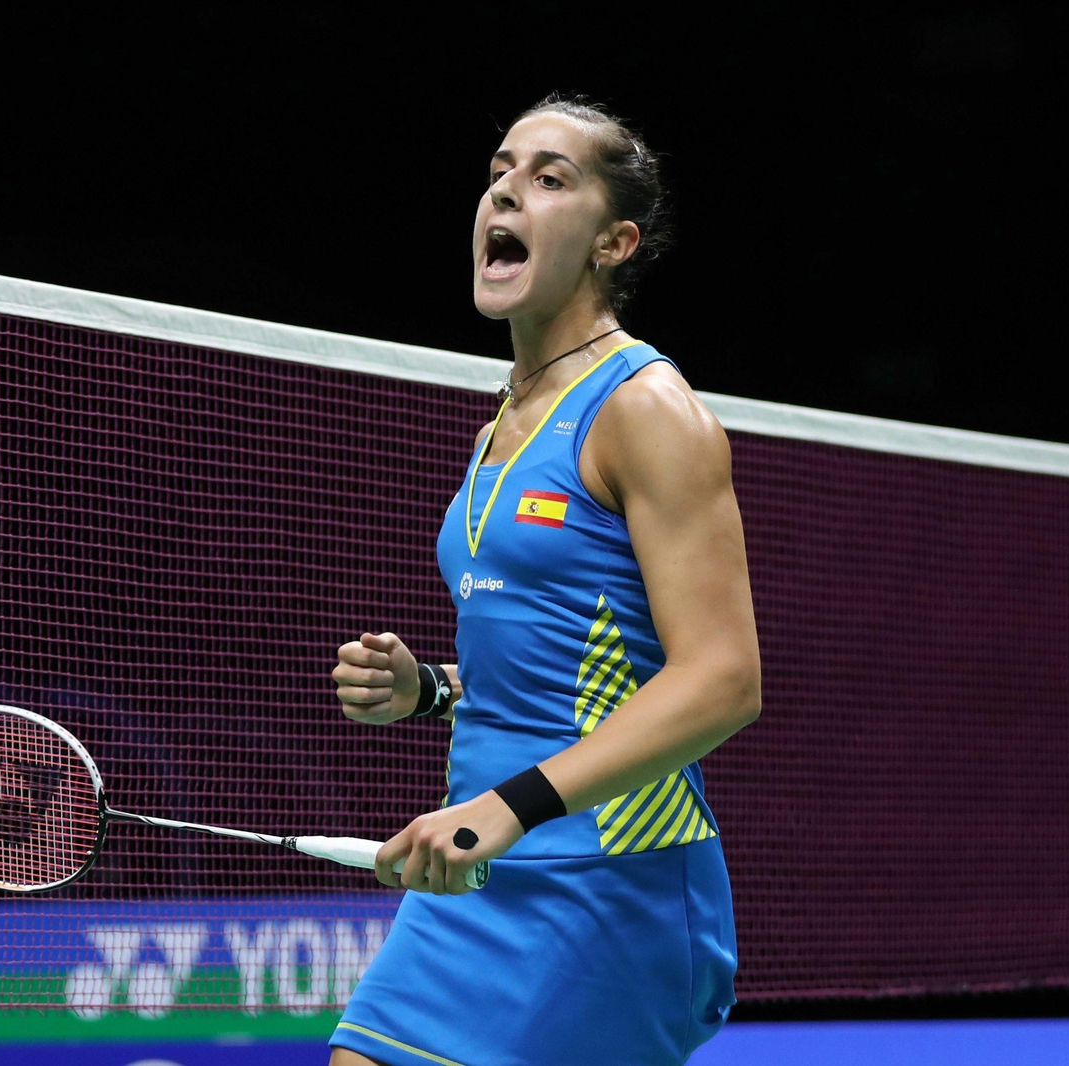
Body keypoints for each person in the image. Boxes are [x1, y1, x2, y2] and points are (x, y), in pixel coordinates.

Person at [326, 94, 761, 1066]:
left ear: (613, 242)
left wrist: (507, 805)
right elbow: (568, 667)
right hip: (475, 872)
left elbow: (723, 679)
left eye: (549, 177)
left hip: (610, 880)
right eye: (498, 172)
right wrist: (429, 689)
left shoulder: (646, 411)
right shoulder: (500, 426)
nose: (505, 193)